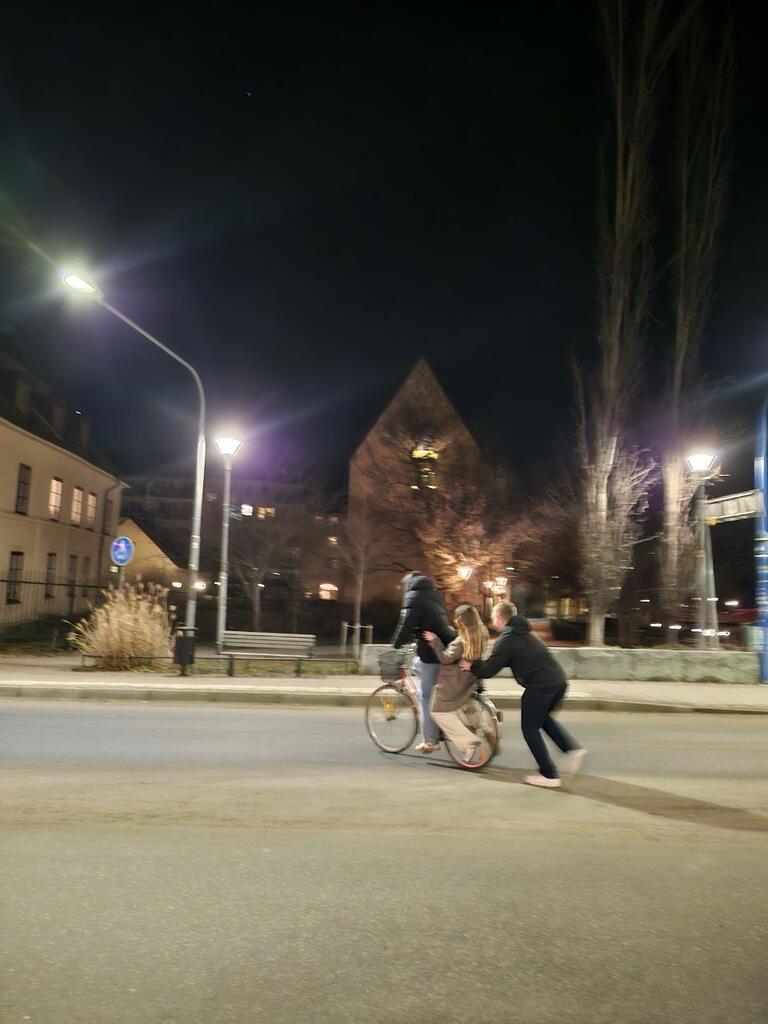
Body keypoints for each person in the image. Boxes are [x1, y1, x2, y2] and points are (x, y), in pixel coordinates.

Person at [461, 601, 586, 788]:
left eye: (494, 617)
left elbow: (489, 669)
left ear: (500, 618)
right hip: (559, 682)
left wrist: (471, 666)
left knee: (529, 728)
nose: (493, 621)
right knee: (542, 720)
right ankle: (571, 750)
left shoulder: (507, 639)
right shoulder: (525, 633)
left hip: (540, 686)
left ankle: (549, 775)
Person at [392, 572, 456, 753]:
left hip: (432, 653)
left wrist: (395, 644)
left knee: (425, 696)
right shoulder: (433, 594)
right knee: (417, 666)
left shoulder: (413, 597)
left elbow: (405, 624)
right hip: (443, 645)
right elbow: (430, 621)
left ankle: (431, 740)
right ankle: (437, 727)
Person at [423, 604, 490, 762]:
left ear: (462, 622)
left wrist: (435, 641)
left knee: (436, 712)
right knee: (463, 709)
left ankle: (467, 742)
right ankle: (481, 729)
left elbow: (445, 658)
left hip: (452, 684)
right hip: (469, 681)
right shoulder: (481, 635)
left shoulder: (461, 642)